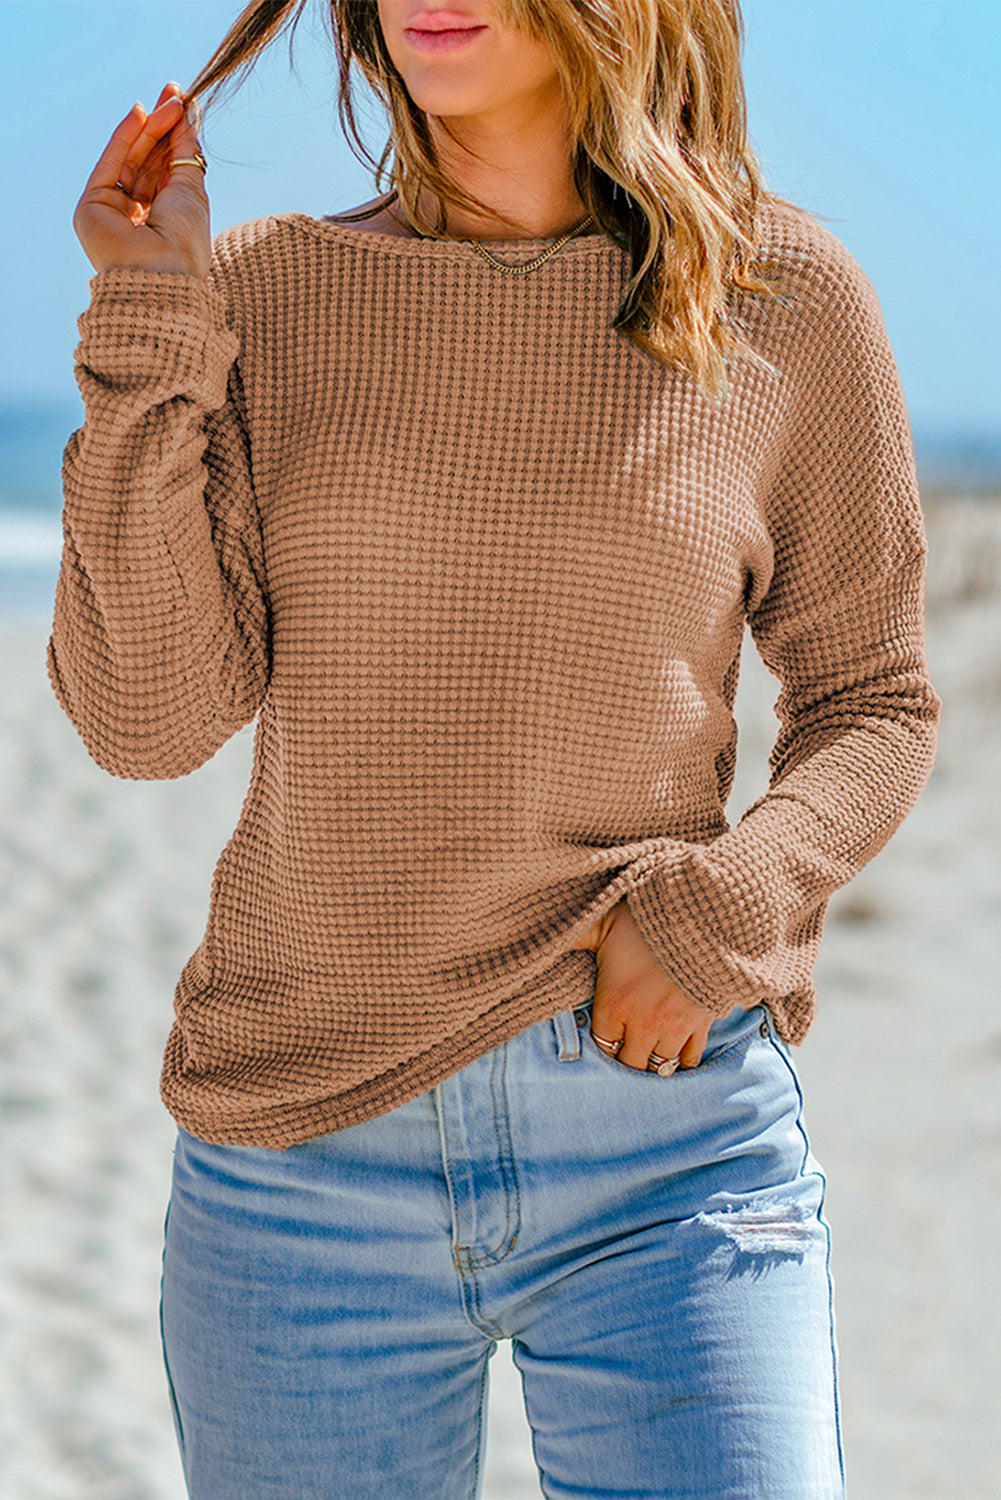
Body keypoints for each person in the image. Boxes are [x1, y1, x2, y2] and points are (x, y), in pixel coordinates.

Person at [52, 1, 941, 1495]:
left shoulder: (778, 296)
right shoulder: (269, 292)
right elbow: (148, 722)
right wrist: (149, 313)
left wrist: (721, 905)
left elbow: (874, 699)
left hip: (665, 1147)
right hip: (300, 1154)